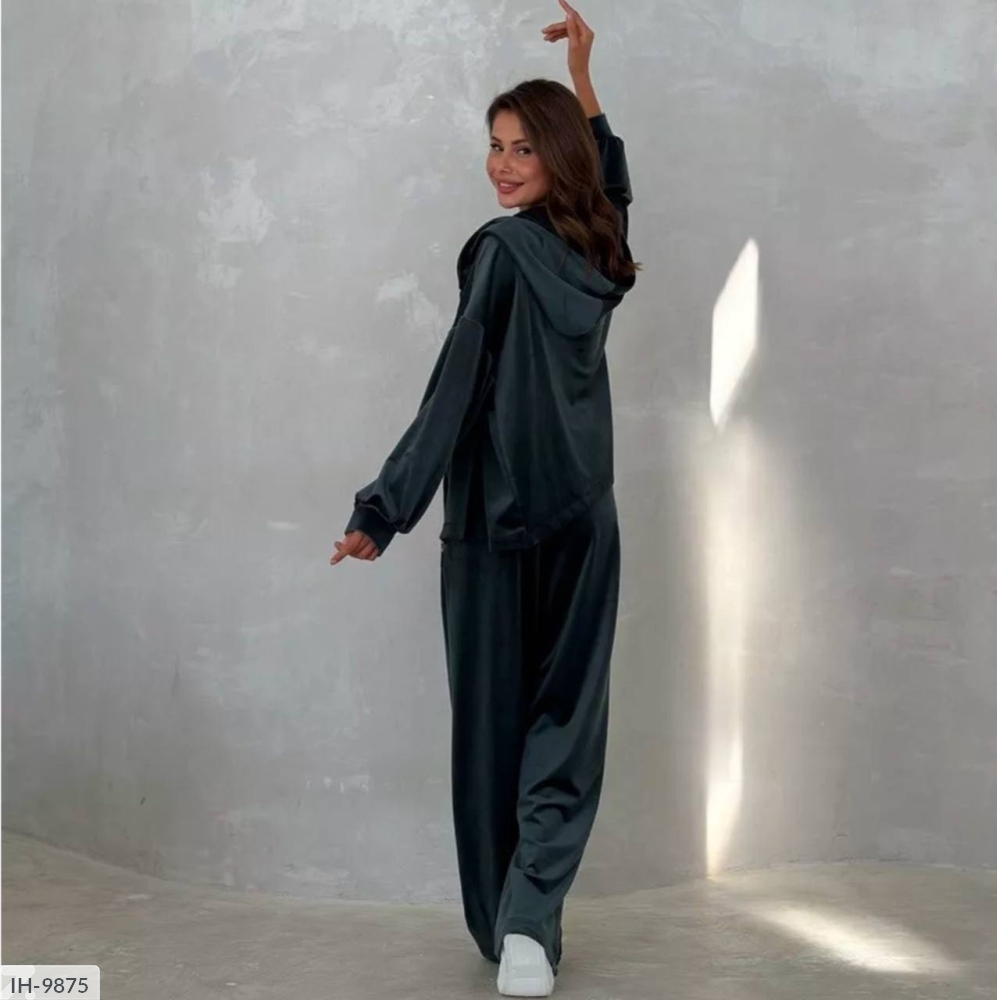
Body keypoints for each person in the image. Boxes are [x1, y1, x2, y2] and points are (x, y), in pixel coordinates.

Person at [330, 3, 640, 994]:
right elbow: (613, 188)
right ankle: (529, 924)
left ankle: (510, 926)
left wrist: (383, 509)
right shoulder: (598, 252)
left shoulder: (505, 251)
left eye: (521, 148)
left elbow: (454, 390)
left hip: (496, 531)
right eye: (494, 146)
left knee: (492, 739)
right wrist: (584, 80)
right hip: (585, 518)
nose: (501, 165)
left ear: (554, 155)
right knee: (564, 728)